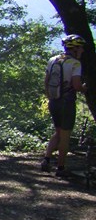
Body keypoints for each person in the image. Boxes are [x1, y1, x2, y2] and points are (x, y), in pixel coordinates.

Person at [41, 34, 87, 178]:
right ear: (75, 48)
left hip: (53, 101)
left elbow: (46, 81)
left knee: (58, 132)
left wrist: (50, 97)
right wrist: (85, 88)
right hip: (67, 103)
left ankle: (46, 160)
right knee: (65, 136)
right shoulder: (75, 63)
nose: (82, 50)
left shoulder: (53, 60)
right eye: (81, 48)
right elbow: (77, 86)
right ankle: (61, 168)